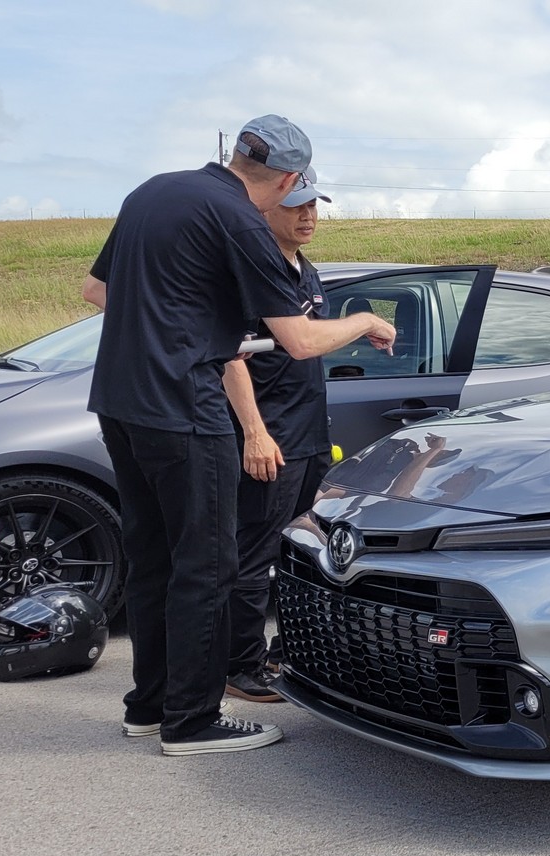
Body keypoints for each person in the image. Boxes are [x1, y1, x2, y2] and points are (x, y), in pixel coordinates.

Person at [82, 114, 395, 757]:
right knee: (208, 563)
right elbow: (301, 342)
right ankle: (192, 721)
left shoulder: (153, 191)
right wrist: (364, 319)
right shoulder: (241, 220)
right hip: (184, 408)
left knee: (154, 559)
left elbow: (96, 291)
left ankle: (149, 706)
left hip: (119, 401)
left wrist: (177, 313)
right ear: (286, 179)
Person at [222, 173, 334, 704]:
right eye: (295, 205)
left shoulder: (306, 271)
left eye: (313, 205)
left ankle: (284, 650)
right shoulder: (251, 273)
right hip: (272, 439)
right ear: (266, 209)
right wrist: (255, 433)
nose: (307, 215)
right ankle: (238, 666)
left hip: (311, 438)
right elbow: (231, 359)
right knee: (255, 553)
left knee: (301, 553)